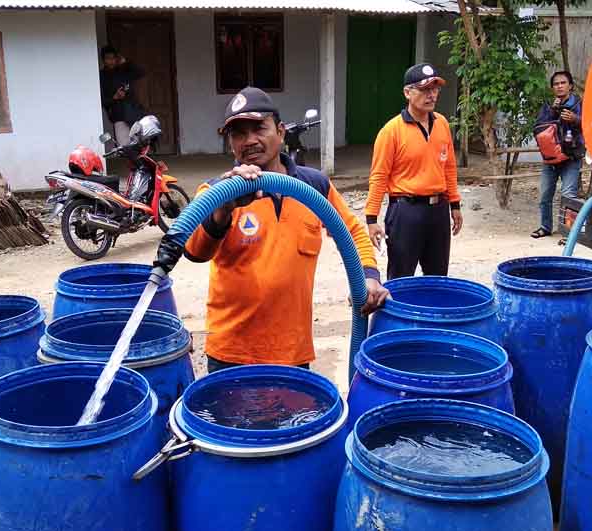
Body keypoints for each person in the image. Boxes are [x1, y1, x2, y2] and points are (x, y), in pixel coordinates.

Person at [184, 87, 389, 372]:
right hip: (232, 353)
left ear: (280, 131)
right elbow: (194, 251)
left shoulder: (314, 186)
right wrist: (223, 210)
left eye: (259, 128)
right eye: (238, 134)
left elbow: (352, 232)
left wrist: (368, 276)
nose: (249, 140)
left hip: (293, 351)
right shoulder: (217, 191)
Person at [365, 63, 463, 280]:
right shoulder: (391, 131)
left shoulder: (442, 124)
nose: (431, 95)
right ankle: (396, 314)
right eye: (425, 89)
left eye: (435, 89)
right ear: (407, 93)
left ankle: (433, 314)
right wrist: (371, 219)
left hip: (438, 211)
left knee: (438, 278)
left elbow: (449, 167)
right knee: (401, 277)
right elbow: (379, 175)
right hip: (405, 212)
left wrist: (454, 204)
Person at [532, 70, 584, 239]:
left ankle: (568, 233)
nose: (559, 86)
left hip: (570, 158)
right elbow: (539, 127)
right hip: (551, 158)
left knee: (569, 196)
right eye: (556, 84)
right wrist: (553, 112)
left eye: (563, 83)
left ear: (570, 86)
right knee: (545, 196)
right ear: (552, 88)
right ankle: (545, 227)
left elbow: (591, 126)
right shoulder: (548, 106)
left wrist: (576, 119)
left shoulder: (579, 105)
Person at [99, 45, 145, 147]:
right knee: (125, 147)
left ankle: (141, 163)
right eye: (107, 58)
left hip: (134, 114)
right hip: (118, 116)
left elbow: (141, 72)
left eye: (113, 58)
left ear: (117, 59)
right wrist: (114, 98)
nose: (110, 61)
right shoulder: (101, 76)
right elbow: (102, 101)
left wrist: (126, 62)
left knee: (140, 145)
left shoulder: (124, 70)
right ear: (103, 60)